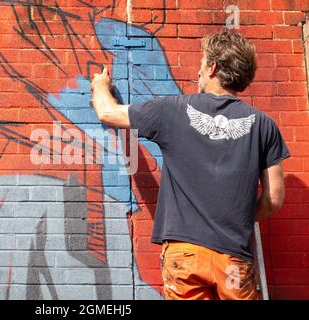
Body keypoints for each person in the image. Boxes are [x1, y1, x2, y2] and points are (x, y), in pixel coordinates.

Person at [90, 30, 291, 300]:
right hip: (233, 257)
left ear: (213, 67)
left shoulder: (173, 110)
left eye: (202, 62)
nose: (198, 71)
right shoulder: (264, 125)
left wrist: (100, 86)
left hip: (185, 255)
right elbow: (274, 198)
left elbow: (107, 113)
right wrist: (238, 219)